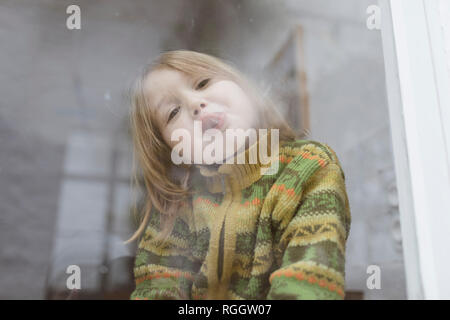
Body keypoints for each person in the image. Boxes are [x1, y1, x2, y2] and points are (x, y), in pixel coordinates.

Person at [125, 50, 351, 300]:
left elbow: (307, 286)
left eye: (202, 83)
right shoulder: (176, 208)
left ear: (242, 86)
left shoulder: (309, 167)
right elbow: (155, 290)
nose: (194, 104)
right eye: (172, 112)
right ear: (170, 149)